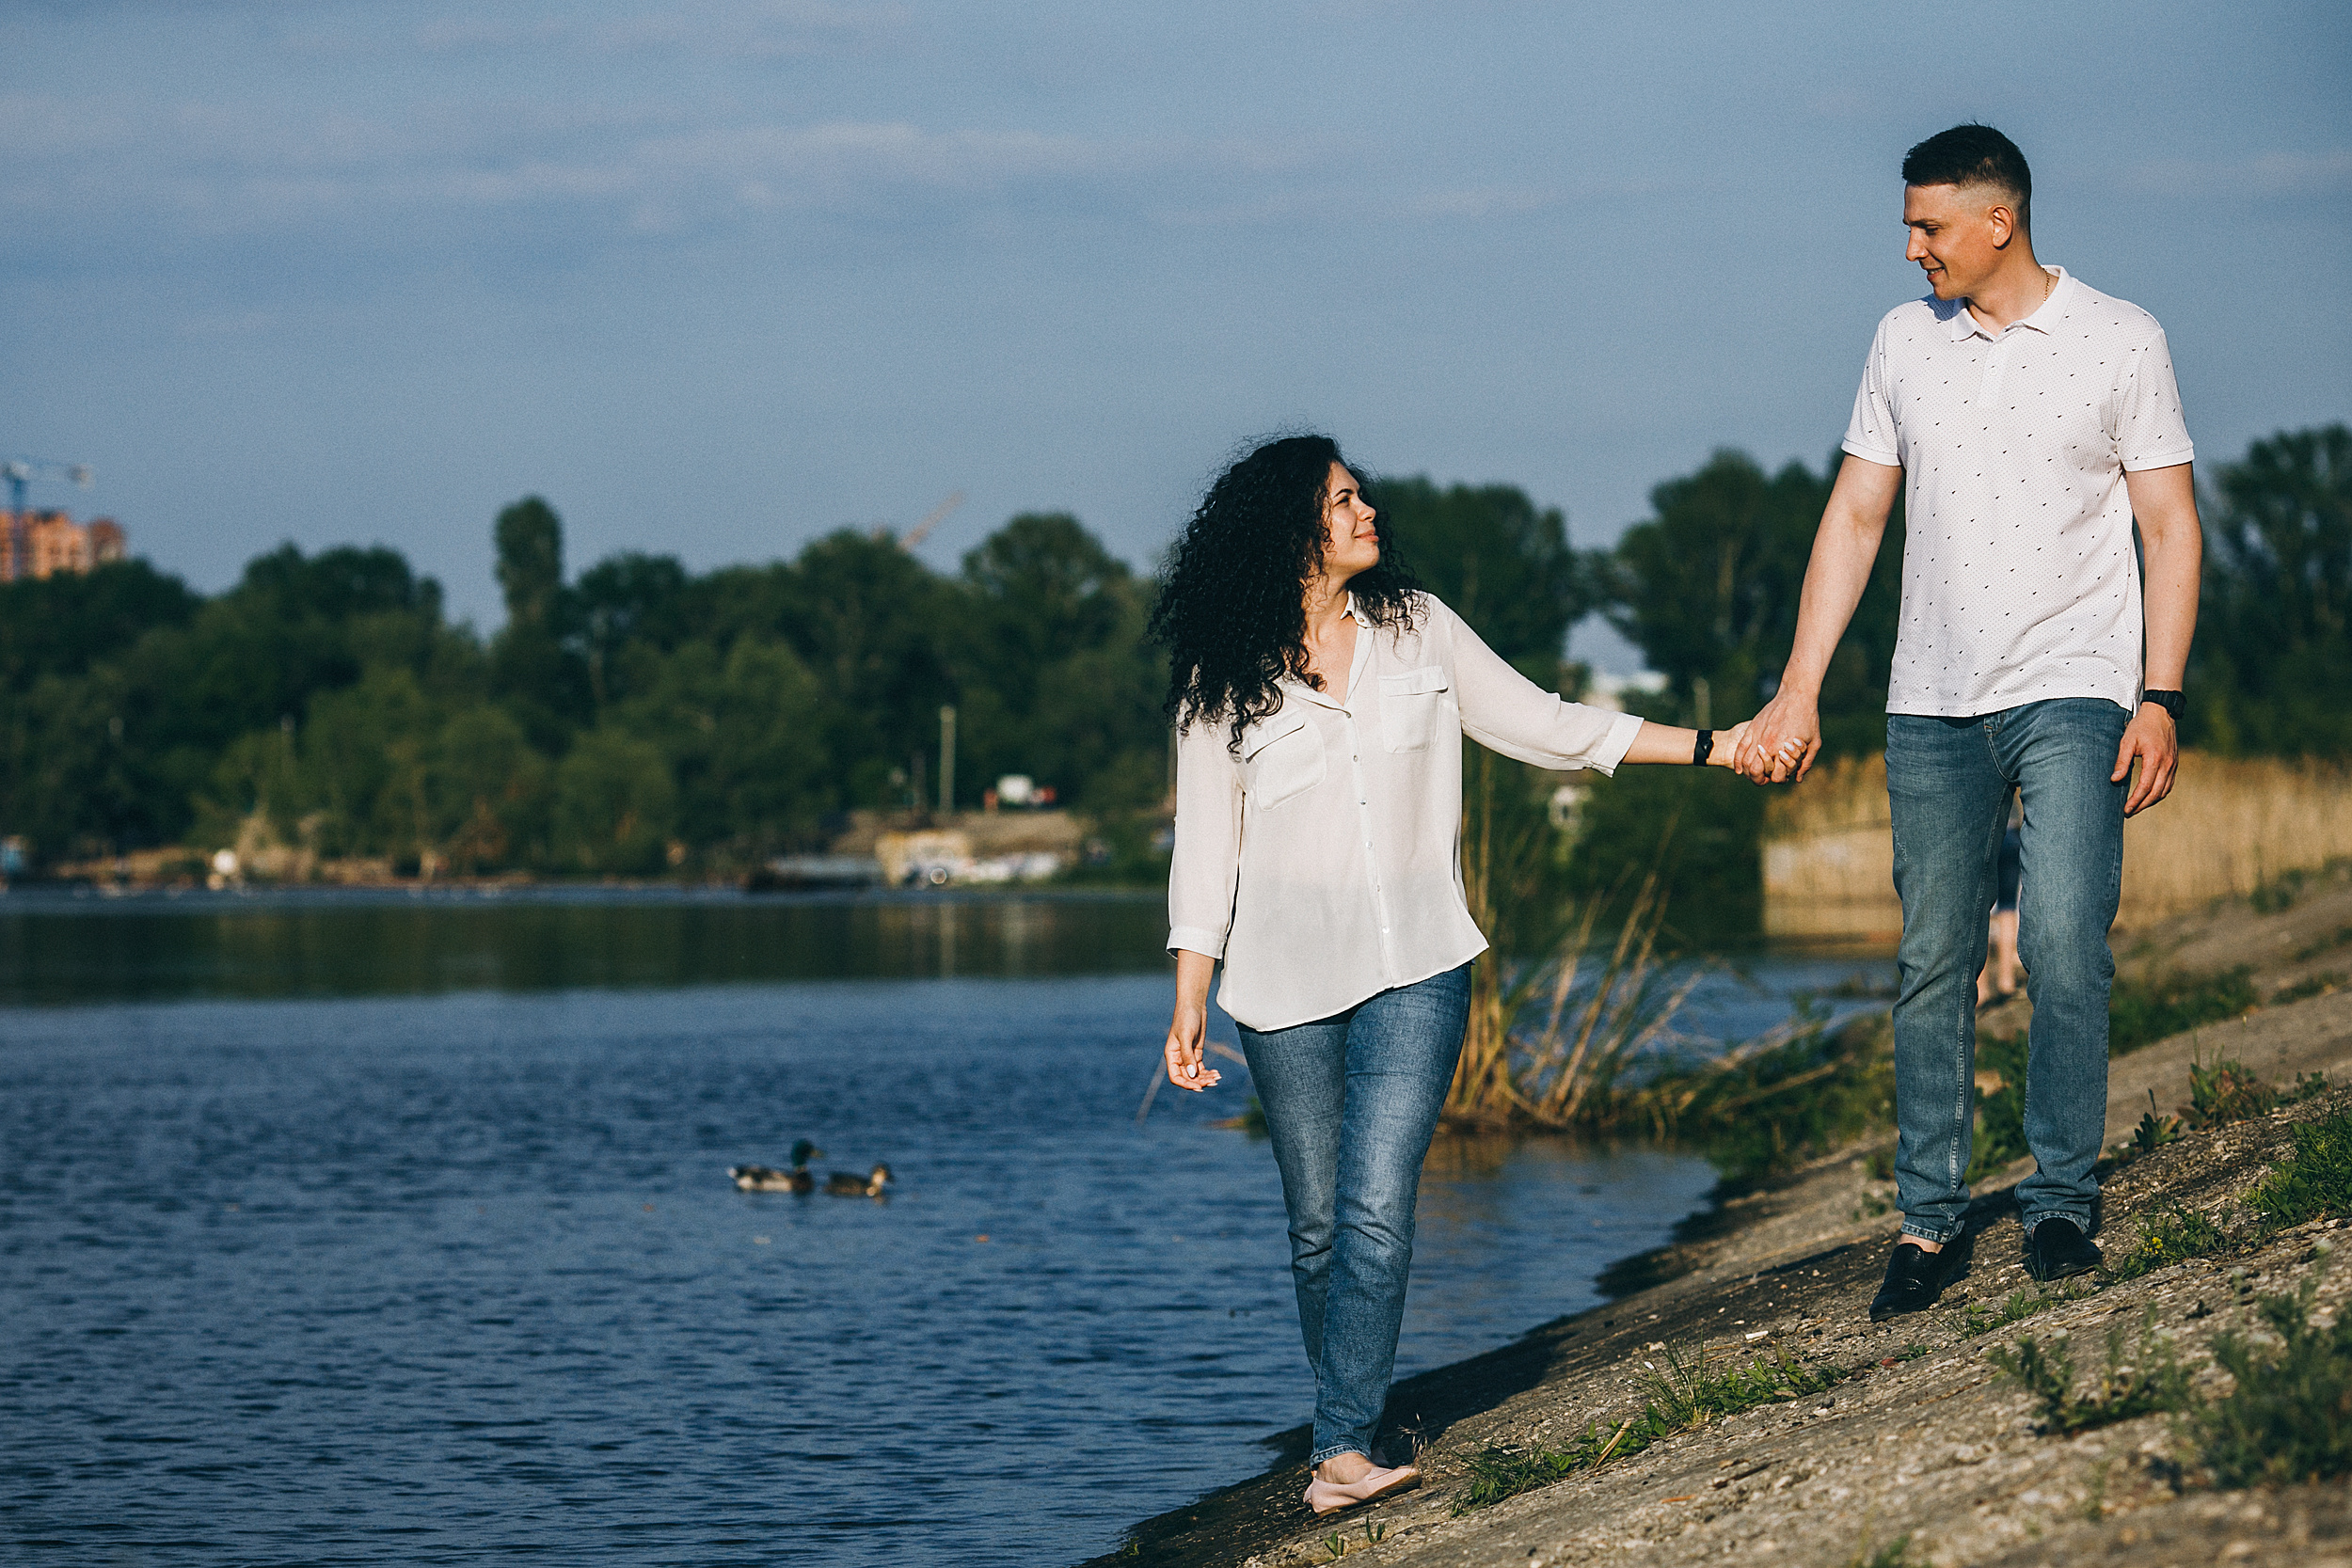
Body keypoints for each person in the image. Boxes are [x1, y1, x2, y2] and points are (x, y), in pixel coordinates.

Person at [1152, 435, 1772, 1515]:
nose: (1365, 509)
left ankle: (1341, 1446)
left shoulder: (1415, 628)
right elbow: (1205, 846)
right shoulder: (1222, 681)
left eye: (1360, 494)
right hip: (1281, 982)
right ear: (1289, 530)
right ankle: (1344, 1412)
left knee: (1379, 1202)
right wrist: (1189, 993)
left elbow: (1548, 725)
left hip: (1417, 962)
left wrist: (1717, 744)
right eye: (1341, 500)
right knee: (1316, 1225)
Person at [1738, 125, 2201, 1318]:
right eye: (1908, 225)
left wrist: (2160, 696)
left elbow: (2167, 527)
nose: (1910, 250)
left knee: (2058, 937)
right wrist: (1798, 687)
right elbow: (1852, 519)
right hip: (1927, 700)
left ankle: (2057, 1199)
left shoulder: (2121, 339)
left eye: (1927, 227)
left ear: (1999, 220)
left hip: (2073, 687)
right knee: (1931, 958)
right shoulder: (1903, 342)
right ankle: (1929, 1222)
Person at [1978, 802, 2023, 1010]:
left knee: (1980, 911)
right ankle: (2007, 982)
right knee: (2007, 909)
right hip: (2011, 835)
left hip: (1983, 836)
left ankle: (1981, 991)